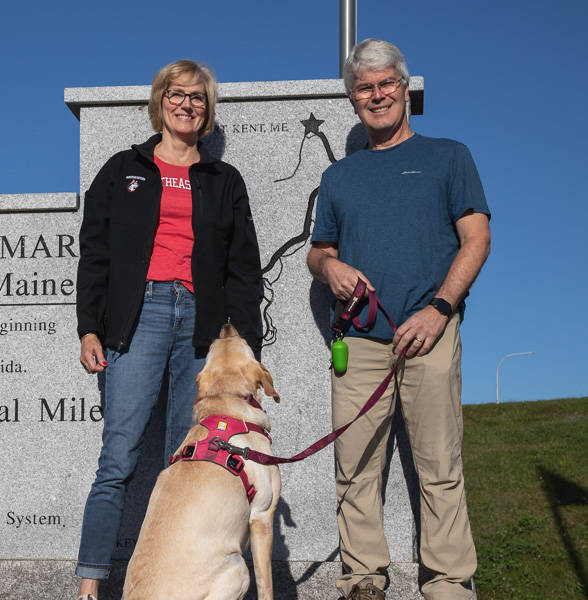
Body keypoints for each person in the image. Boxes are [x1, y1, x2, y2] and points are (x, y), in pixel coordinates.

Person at [307, 39, 491, 600]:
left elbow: (477, 238)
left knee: (439, 468)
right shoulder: (340, 177)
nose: (377, 95)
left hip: (429, 335)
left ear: (405, 89)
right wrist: (329, 267)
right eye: (364, 88)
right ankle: (362, 581)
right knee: (356, 469)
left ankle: (450, 585)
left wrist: (439, 310)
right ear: (352, 99)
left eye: (387, 84)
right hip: (359, 342)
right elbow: (317, 251)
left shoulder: (449, 155)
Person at [74, 59, 263, 600]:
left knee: (186, 461)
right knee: (118, 458)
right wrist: (90, 327)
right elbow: (96, 255)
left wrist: (243, 341)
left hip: (203, 325)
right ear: (160, 102)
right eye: (177, 95)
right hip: (139, 317)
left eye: (198, 97)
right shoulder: (122, 169)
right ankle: (90, 588)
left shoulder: (223, 181)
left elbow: (242, 267)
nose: (187, 104)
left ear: (208, 110)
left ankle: (172, 586)